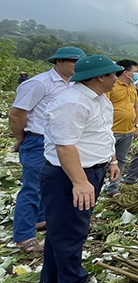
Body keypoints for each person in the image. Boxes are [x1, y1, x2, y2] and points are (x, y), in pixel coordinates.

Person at [40, 55, 122, 283]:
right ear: (100, 77)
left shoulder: (100, 99)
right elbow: (65, 146)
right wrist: (79, 182)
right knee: (71, 230)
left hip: (91, 169)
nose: (116, 79)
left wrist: (112, 160)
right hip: (69, 174)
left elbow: (102, 133)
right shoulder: (72, 102)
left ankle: (52, 278)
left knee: (63, 227)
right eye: (113, 74)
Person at [8, 46, 86, 254]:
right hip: (38, 139)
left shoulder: (75, 84)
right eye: (72, 61)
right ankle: (24, 235)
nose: (76, 65)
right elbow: (16, 114)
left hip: (60, 141)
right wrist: (21, 139)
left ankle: (41, 220)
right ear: (58, 62)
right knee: (32, 187)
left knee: (53, 184)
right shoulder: (40, 83)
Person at [105, 59, 138, 198]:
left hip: (128, 131)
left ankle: (113, 188)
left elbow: (135, 107)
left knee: (121, 159)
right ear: (125, 72)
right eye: (134, 72)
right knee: (103, 160)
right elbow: (104, 107)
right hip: (111, 130)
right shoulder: (112, 86)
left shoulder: (132, 87)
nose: (136, 74)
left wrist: (136, 126)